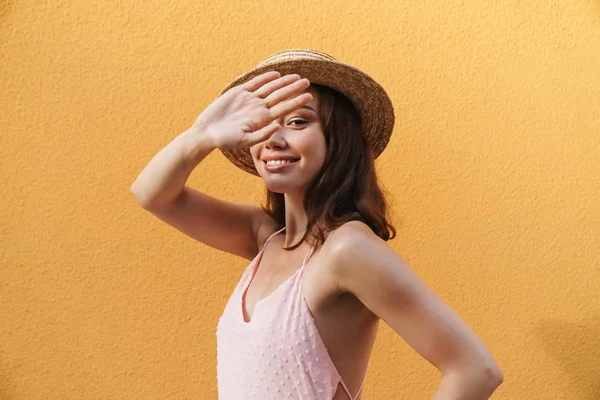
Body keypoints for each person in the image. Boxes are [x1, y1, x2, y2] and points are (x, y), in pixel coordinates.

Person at [131, 49, 504, 399]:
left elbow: (475, 369)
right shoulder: (265, 237)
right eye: (262, 124)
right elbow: (151, 194)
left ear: (336, 139)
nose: (273, 139)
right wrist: (202, 135)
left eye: (297, 121)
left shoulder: (348, 250)